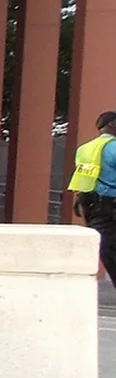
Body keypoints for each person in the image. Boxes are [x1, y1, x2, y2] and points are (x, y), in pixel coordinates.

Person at [68, 111, 116, 281]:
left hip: (91, 207)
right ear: (113, 125)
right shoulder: (113, 147)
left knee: (107, 249)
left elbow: (82, 179)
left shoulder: (85, 149)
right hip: (110, 206)